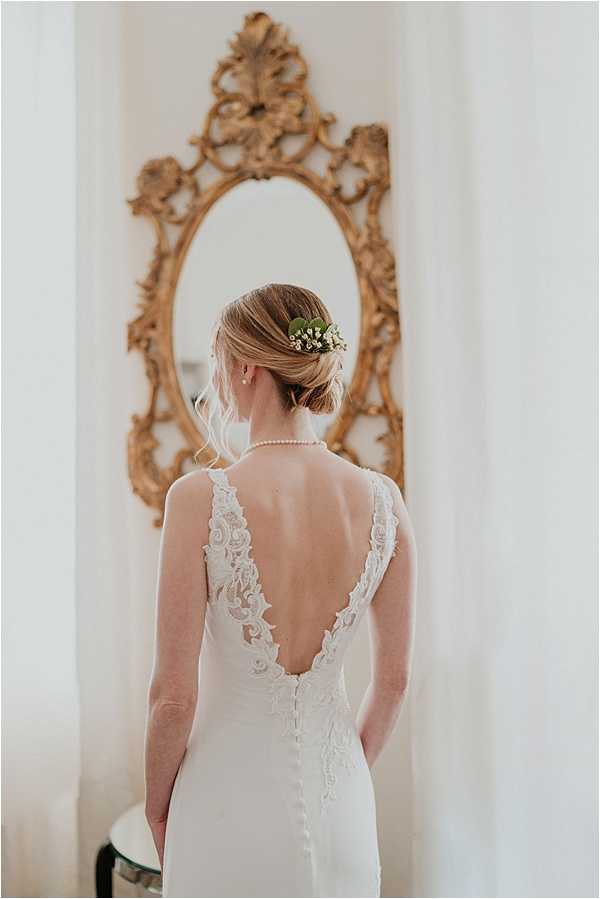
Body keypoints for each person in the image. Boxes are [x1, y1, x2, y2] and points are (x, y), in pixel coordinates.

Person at [143, 283, 417, 897]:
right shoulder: (383, 502)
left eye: (219, 364)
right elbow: (394, 683)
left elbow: (171, 697)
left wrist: (158, 807)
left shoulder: (199, 499)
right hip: (340, 800)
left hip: (221, 803)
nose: (216, 383)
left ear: (246, 367)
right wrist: (344, 772)